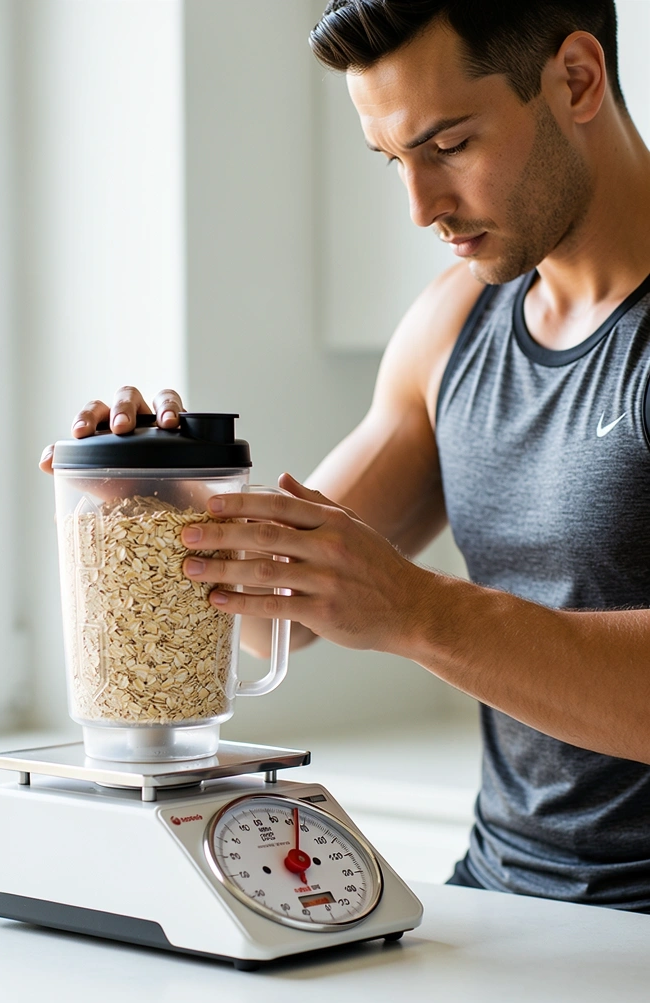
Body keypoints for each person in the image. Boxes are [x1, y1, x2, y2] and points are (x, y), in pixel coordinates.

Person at [40, 0, 650, 911]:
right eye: (393, 161)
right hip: (502, 902)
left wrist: (415, 611)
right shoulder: (452, 327)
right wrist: (154, 482)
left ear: (575, 79)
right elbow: (269, 620)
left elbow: (401, 609)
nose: (420, 207)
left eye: (447, 146)